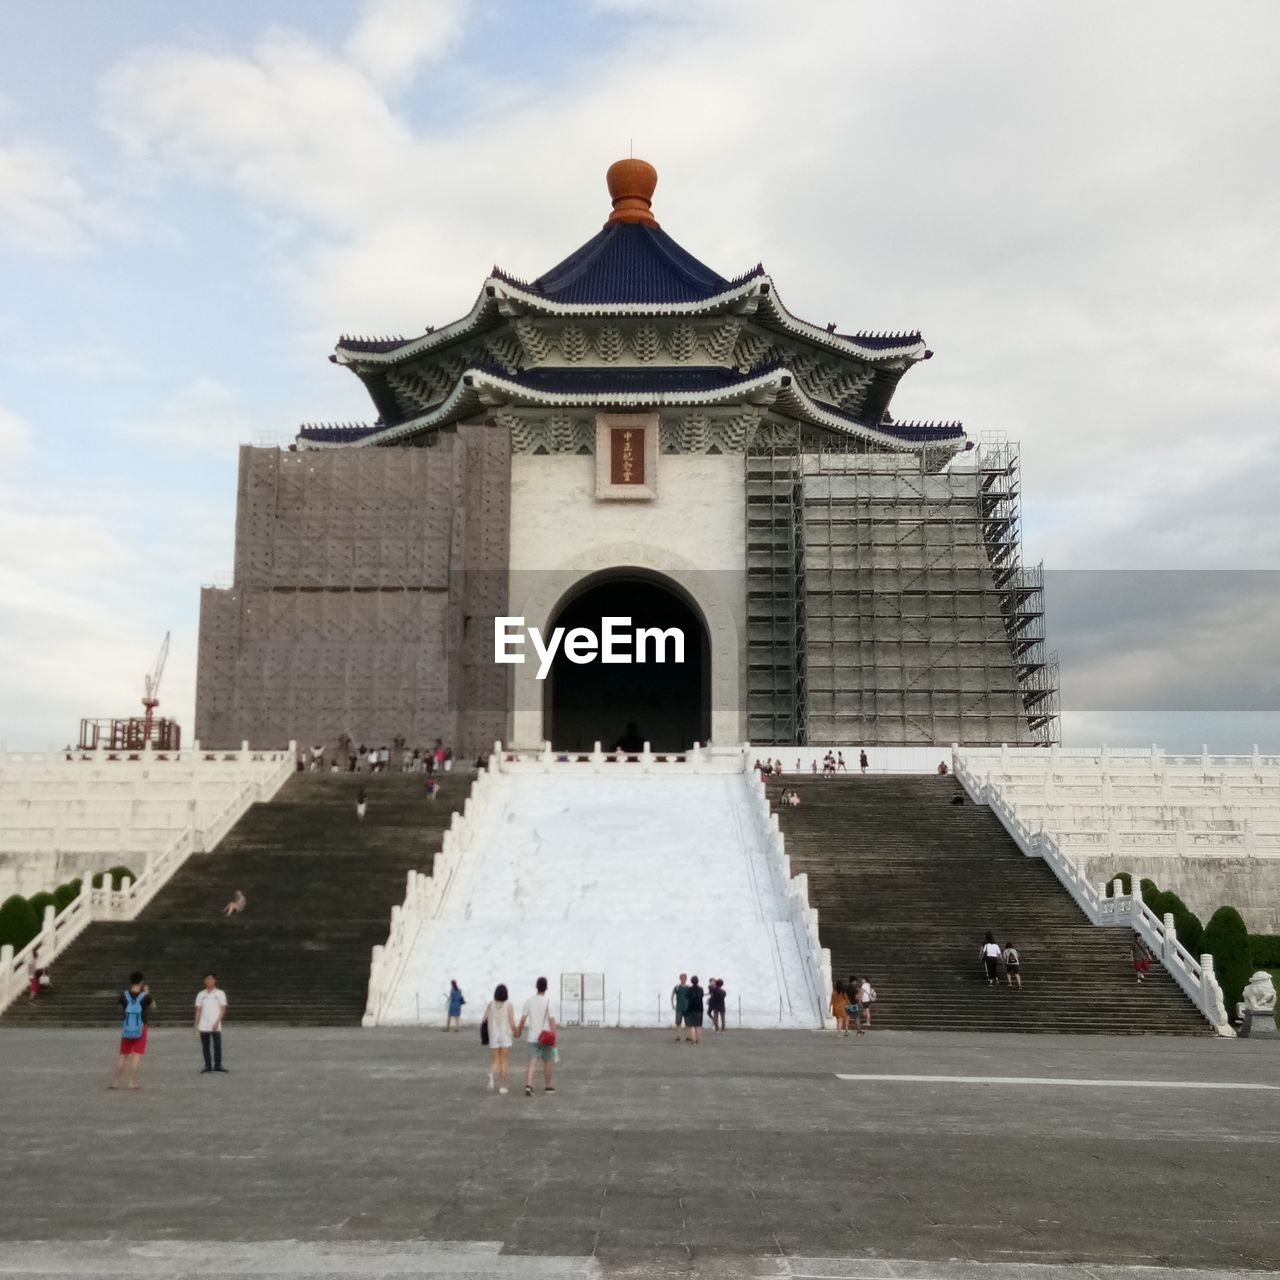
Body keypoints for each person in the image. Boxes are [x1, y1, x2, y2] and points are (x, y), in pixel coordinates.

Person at [111, 971, 154, 1090]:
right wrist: (147, 993)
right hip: (141, 1027)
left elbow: (120, 1007)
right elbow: (153, 1006)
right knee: (137, 1055)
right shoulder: (145, 996)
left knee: (123, 1054)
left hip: (127, 1028)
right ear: (141, 982)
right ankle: (131, 1082)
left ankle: (116, 1082)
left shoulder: (124, 995)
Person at [518, 976, 557, 1096]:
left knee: (532, 1061)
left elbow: (523, 1019)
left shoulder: (529, 1001)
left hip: (532, 1037)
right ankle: (548, 1086)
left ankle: (529, 1085)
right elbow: (552, 1022)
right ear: (546, 988)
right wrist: (555, 1037)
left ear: (536, 987)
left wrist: (518, 1031)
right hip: (546, 1037)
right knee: (548, 1062)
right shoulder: (549, 1002)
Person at [483, 983, 518, 1094]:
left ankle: (492, 1072)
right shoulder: (509, 1006)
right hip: (505, 1035)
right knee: (504, 1061)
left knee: (495, 1060)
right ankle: (503, 1086)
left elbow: (484, 1019)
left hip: (493, 1035)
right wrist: (516, 1031)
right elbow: (512, 1023)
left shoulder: (490, 1005)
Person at [194, 972, 228, 1073]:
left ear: (215, 980)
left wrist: (217, 1021)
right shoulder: (201, 994)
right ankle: (207, 1065)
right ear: (205, 981)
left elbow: (222, 1009)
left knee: (217, 1046)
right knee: (205, 1047)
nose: (209, 981)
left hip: (215, 1024)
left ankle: (218, 1065)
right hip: (204, 1024)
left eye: (211, 979)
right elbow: (198, 1010)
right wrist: (196, 1024)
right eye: (207, 979)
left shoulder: (220, 993)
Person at [684, 976, 704, 1044]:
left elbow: (686, 996)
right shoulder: (701, 989)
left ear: (691, 981)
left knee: (692, 1025)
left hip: (691, 1009)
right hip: (699, 1009)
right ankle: (698, 1040)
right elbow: (702, 995)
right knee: (698, 1025)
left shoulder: (689, 989)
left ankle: (693, 1040)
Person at [671, 973, 690, 1041]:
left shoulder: (688, 988)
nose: (683, 979)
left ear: (686, 979)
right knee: (678, 1023)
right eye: (682, 978)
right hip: (679, 1008)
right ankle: (678, 1036)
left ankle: (687, 1036)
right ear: (680, 979)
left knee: (687, 1023)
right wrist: (672, 1004)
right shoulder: (677, 987)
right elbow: (672, 995)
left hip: (687, 1008)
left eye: (684, 978)